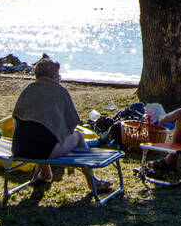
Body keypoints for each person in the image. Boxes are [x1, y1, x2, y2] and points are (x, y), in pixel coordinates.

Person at [11, 54, 108, 189]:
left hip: (19, 148)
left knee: (40, 133)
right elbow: (72, 122)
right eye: (58, 76)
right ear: (53, 77)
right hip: (43, 151)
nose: (59, 78)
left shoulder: (28, 90)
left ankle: (46, 175)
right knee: (78, 136)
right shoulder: (59, 91)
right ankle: (93, 181)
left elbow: (16, 118)